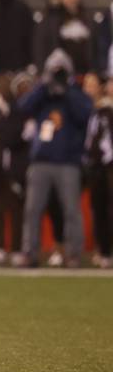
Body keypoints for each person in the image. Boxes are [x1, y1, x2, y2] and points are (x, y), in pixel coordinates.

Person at [19, 49, 92, 267]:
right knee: (33, 210)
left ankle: (73, 254)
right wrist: (44, 84)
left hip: (68, 162)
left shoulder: (75, 95)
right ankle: (29, 252)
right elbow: (23, 107)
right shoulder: (43, 96)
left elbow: (85, 114)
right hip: (41, 161)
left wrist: (66, 89)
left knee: (71, 210)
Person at [0, 74, 32, 265]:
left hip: (17, 166)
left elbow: (13, 138)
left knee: (17, 209)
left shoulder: (19, 110)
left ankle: (17, 248)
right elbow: (7, 136)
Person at [34, 0, 97, 75]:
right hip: (58, 76)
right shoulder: (49, 20)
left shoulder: (89, 19)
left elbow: (95, 49)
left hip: (84, 76)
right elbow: (39, 48)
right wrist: (42, 72)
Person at [83, 73, 113, 268]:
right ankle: (104, 251)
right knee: (99, 208)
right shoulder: (92, 110)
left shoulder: (106, 110)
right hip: (95, 165)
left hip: (110, 164)